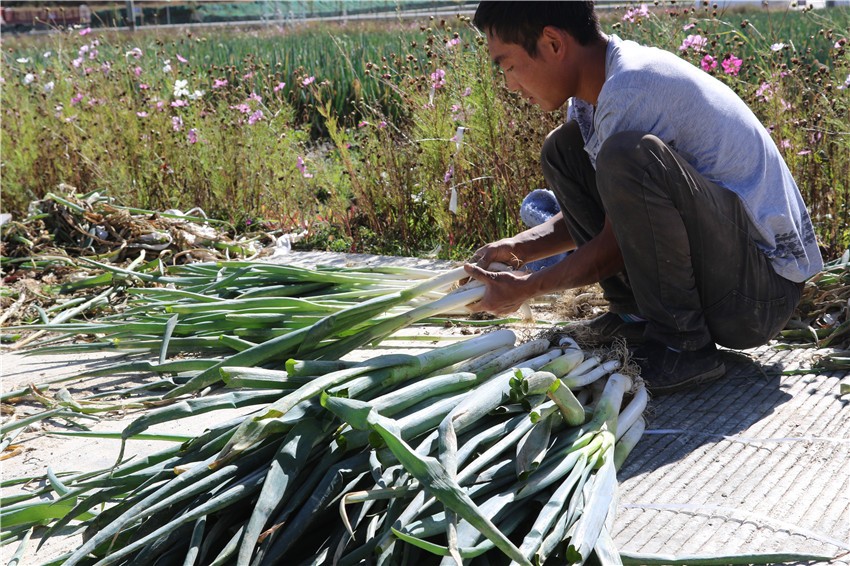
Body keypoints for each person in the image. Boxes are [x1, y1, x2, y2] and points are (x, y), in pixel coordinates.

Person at [464, 1, 823, 394]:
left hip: (757, 298)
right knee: (564, 149)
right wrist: (516, 249)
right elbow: (621, 215)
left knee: (627, 156)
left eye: (509, 66)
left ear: (553, 43)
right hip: (728, 277)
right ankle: (634, 316)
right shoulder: (592, 99)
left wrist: (527, 287)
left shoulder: (632, 89)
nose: (510, 85)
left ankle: (683, 345)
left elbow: (613, 244)